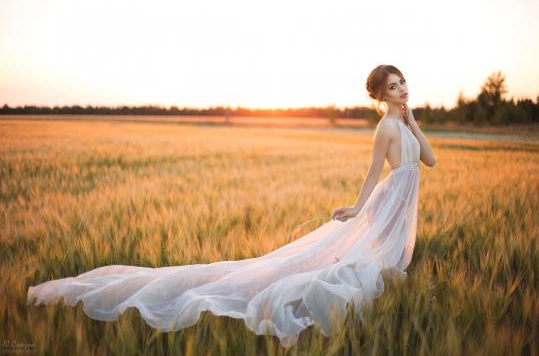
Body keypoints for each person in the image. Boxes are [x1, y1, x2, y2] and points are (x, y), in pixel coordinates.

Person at [27, 65, 436, 349]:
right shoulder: (384, 127)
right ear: (381, 96)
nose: (402, 89)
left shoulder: (403, 124)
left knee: (372, 267)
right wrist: (356, 207)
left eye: (403, 83)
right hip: (385, 204)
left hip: (400, 207)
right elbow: (371, 174)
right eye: (394, 87)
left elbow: (429, 161)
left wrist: (413, 121)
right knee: (355, 268)